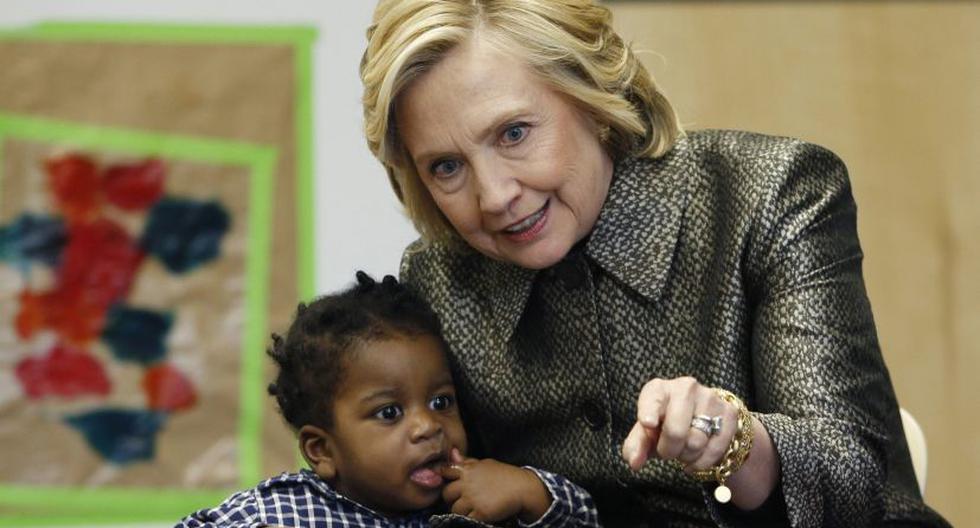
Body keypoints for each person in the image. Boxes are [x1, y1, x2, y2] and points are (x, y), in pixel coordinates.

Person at [359, 1, 951, 526]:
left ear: (593, 99)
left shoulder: (770, 192)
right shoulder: (437, 277)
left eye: (514, 133)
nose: (492, 196)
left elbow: (853, 485)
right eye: (446, 167)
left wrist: (731, 441)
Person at [176, 272, 600, 527]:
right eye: (389, 412)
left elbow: (589, 520)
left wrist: (531, 493)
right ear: (322, 450)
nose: (428, 426)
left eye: (441, 402)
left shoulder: (475, 501)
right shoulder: (285, 510)